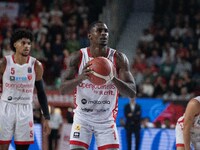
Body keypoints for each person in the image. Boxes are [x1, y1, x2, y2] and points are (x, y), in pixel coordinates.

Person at [60, 21, 136, 150]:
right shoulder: (78, 57)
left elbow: (132, 92)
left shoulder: (118, 58)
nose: (104, 34)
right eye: (99, 31)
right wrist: (81, 78)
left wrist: (112, 78)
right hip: (82, 118)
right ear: (90, 36)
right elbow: (62, 89)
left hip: (106, 120)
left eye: (106, 31)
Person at [0, 28, 51, 150]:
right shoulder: (5, 62)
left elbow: (41, 92)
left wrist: (47, 118)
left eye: (29, 43)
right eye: (23, 43)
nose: (27, 46)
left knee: (23, 148)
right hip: (6, 107)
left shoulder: (36, 65)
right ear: (15, 44)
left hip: (26, 108)